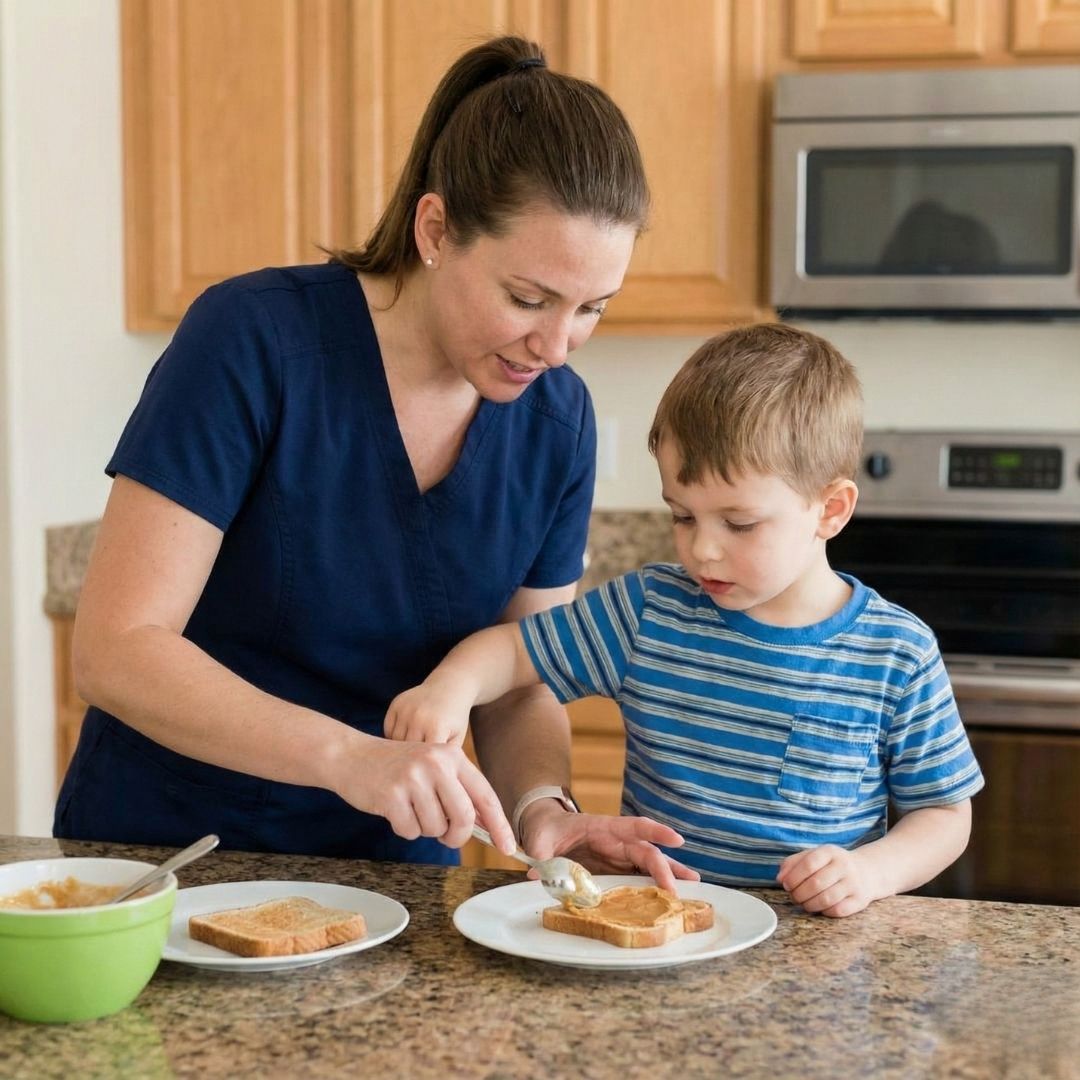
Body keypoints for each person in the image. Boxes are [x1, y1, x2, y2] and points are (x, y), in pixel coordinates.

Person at [55, 35, 688, 883]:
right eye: (527, 298)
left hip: (392, 886)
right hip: (163, 860)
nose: (556, 345)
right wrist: (347, 757)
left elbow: (518, 675)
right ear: (435, 229)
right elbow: (116, 647)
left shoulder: (557, 421)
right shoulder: (252, 341)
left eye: (592, 309)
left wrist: (545, 806)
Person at [386, 323, 986, 916]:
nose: (702, 550)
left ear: (830, 510)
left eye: (739, 523)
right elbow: (513, 651)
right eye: (682, 516)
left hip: (816, 951)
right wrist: (451, 687)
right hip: (666, 929)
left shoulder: (897, 652)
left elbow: (944, 815)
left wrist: (871, 871)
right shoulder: (649, 611)